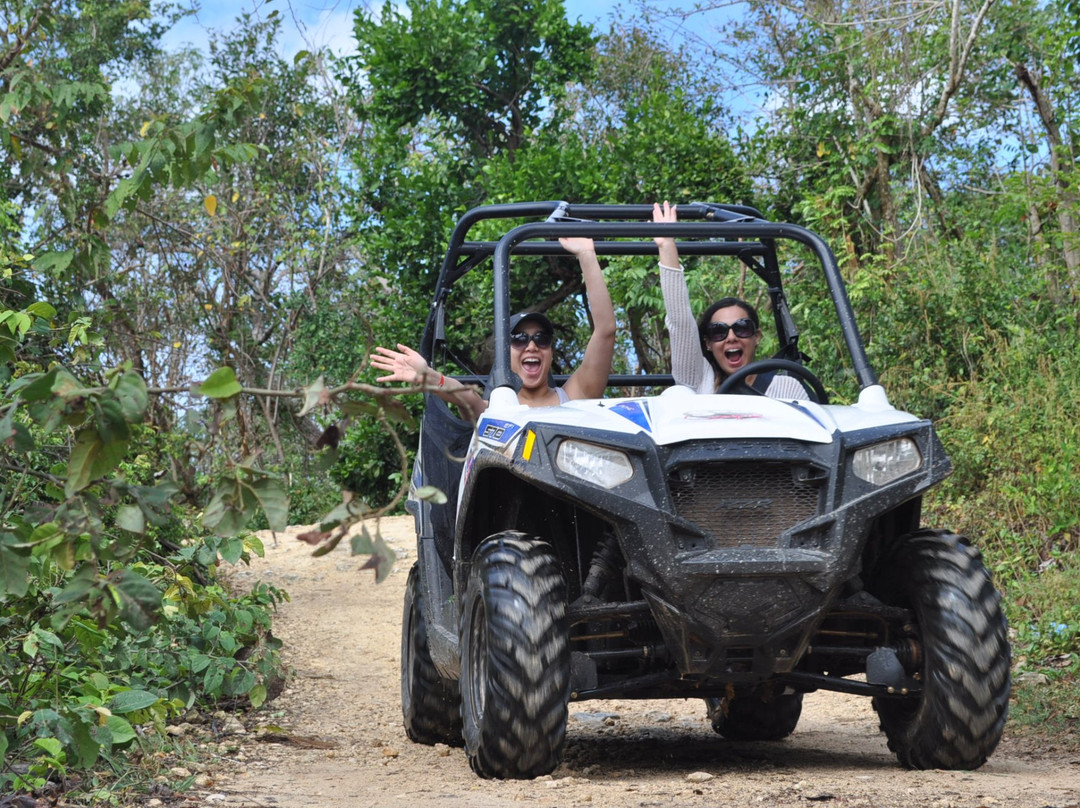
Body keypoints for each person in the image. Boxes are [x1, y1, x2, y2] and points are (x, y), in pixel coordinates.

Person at [370, 236, 616, 421]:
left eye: (541, 339)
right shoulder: (498, 411)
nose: (531, 345)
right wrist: (429, 377)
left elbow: (605, 331)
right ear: (504, 353)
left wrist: (586, 254)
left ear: (550, 352)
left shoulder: (574, 396)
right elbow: (465, 397)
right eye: (519, 339)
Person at [652, 201, 808, 399]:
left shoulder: (785, 387)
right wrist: (667, 246)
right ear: (708, 343)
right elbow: (680, 323)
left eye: (742, 327)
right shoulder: (700, 381)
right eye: (718, 331)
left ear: (756, 336)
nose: (731, 337)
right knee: (677, 394)